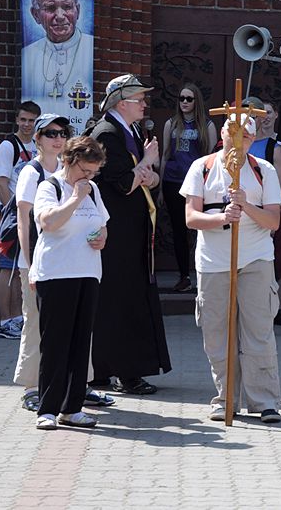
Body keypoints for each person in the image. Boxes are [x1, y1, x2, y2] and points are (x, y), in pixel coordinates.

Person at [180, 114, 281, 423]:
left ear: (253, 140)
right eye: (233, 135)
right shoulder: (202, 167)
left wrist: (247, 205)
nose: (238, 142)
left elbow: (274, 222)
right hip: (213, 263)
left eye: (246, 137)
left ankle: (264, 401)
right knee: (217, 335)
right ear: (222, 135)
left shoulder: (263, 170)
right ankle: (225, 400)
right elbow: (191, 218)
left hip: (255, 260)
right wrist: (223, 218)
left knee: (258, 332)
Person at [87, 74, 171, 394]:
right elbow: (122, 182)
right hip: (117, 234)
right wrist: (148, 162)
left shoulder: (130, 130)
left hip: (132, 231)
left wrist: (151, 177)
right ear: (122, 103)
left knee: (127, 298)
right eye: (140, 100)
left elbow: (142, 179)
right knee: (118, 300)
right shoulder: (107, 133)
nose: (145, 104)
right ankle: (125, 372)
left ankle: (107, 370)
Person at [31, 135, 109, 430]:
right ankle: (47, 409)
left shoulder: (94, 189)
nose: (88, 177)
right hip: (56, 272)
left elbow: (101, 223)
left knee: (80, 343)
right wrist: (75, 197)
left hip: (87, 272)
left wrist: (102, 237)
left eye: (93, 172)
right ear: (69, 161)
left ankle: (72, 408)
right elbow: (48, 222)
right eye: (84, 171)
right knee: (55, 343)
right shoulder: (49, 186)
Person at [244, 98, 281, 327]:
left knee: (273, 260)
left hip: (268, 211)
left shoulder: (275, 146)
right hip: (244, 210)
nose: (258, 119)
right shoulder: (237, 145)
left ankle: (275, 309)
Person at [158, 83, 217, 293]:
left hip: (197, 185)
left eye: (189, 99)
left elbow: (212, 159)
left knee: (202, 228)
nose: (184, 102)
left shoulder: (207, 125)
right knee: (179, 231)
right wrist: (161, 189)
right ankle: (184, 276)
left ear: (196, 101)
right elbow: (165, 155)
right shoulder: (171, 124)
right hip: (173, 182)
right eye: (181, 98)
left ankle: (205, 274)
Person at [0, 101, 41, 340]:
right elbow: (1, 183)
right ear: (16, 120)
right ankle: (4, 321)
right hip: (13, 216)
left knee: (21, 268)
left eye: (31, 120)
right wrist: (15, 214)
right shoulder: (7, 146)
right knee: (7, 269)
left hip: (33, 217)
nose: (26, 124)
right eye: (23, 119)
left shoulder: (38, 145)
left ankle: (18, 317)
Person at [21, 0, 94, 110]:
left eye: (67, 7)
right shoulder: (26, 56)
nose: (60, 16)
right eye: (50, 8)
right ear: (35, 14)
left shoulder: (93, 50)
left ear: (77, 11)